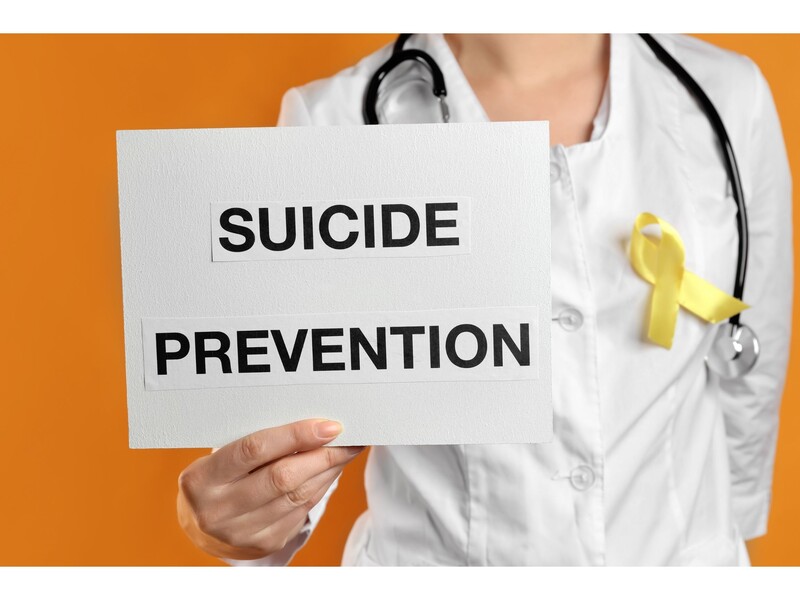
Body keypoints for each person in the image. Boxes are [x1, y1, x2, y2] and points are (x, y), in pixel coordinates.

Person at [176, 33, 793, 566]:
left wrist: (721, 538)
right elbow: (304, 406)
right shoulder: (330, 120)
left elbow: (748, 371)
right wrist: (252, 517)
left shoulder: (725, 97)